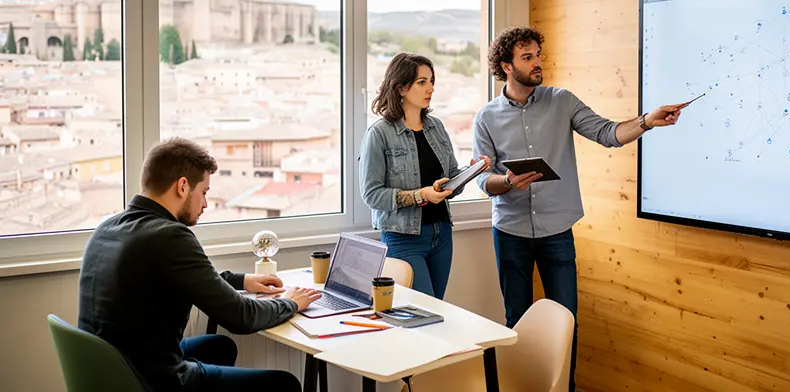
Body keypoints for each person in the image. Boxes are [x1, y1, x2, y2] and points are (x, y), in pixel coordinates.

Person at [473, 26, 682, 392]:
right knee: (517, 320)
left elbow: (608, 133)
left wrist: (647, 121)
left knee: (565, 320)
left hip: (557, 230)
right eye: (528, 57)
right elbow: (481, 178)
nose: (538, 63)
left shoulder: (562, 100)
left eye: (538, 54)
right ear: (506, 66)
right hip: (510, 232)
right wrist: (507, 182)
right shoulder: (486, 117)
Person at [78, 137, 321, 392]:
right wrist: (291, 302)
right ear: (183, 186)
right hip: (151, 381)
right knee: (285, 385)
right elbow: (241, 317)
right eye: (204, 192)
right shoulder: (169, 236)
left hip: (112, 369)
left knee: (220, 346)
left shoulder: (108, 228)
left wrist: (241, 280)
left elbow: (185, 276)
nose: (205, 204)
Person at [359, 52, 490, 299]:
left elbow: (450, 180)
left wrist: (470, 172)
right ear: (401, 87)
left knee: (436, 307)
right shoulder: (379, 134)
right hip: (403, 238)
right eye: (422, 82)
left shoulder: (436, 127)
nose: (430, 88)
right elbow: (371, 194)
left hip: (441, 234)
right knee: (420, 313)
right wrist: (421, 195)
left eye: (431, 81)